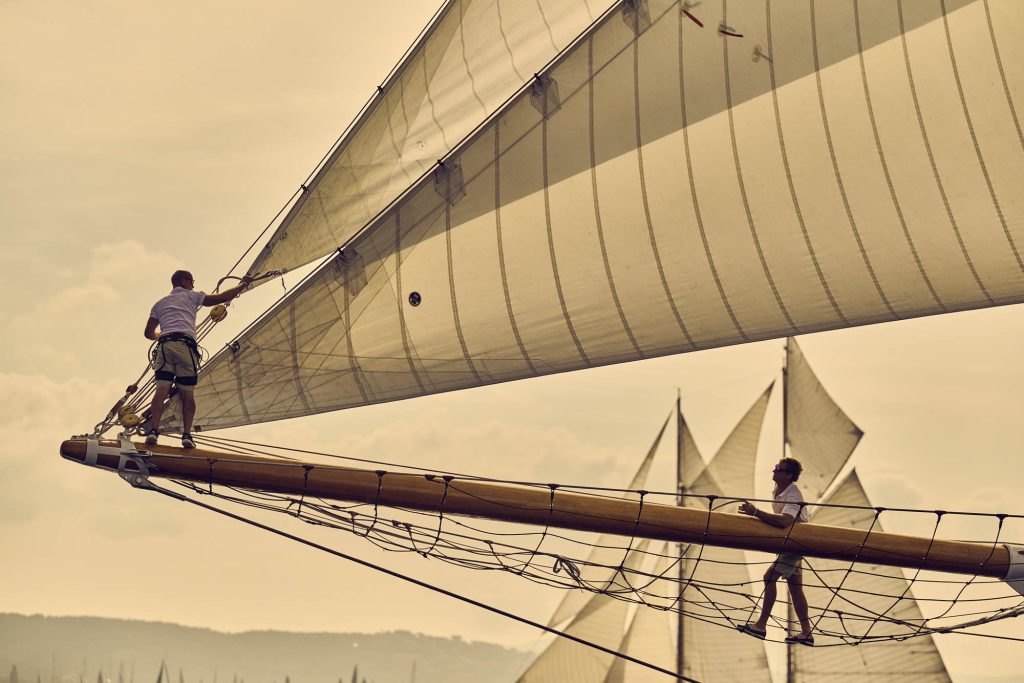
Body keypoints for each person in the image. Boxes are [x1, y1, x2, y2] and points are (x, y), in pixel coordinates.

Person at [143, 270, 253, 448]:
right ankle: (186, 435)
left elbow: (148, 333)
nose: (193, 284)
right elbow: (219, 298)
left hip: (165, 347)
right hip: (185, 347)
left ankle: (154, 431)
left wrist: (164, 335)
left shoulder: (159, 304)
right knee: (187, 394)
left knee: (161, 391)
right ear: (184, 281)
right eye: (192, 281)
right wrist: (243, 284)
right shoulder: (192, 296)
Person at [736, 457, 814, 646]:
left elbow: (784, 521)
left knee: (769, 577)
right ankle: (806, 633)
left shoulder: (793, 494)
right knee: (795, 589)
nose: (774, 470)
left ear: (788, 475)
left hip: (796, 543)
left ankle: (761, 626)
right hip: (792, 544)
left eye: (779, 468)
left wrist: (755, 513)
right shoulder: (778, 490)